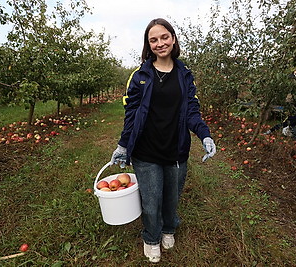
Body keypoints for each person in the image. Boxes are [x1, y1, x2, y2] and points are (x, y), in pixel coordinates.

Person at [110, 18, 216, 263]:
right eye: (153, 40)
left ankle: (169, 229)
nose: (160, 43)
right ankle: (151, 237)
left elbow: (192, 111)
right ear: (148, 45)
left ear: (173, 38)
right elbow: (131, 115)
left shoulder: (184, 75)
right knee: (151, 200)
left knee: (171, 198)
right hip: (145, 151)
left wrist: (205, 134)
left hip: (176, 150)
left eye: (164, 37)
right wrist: (123, 144)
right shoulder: (139, 76)